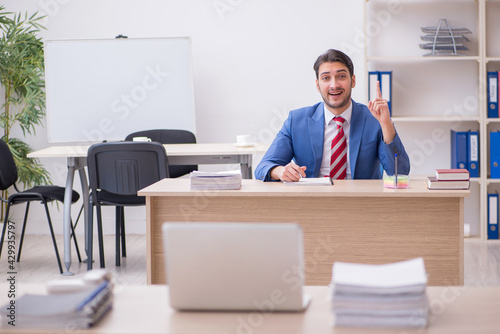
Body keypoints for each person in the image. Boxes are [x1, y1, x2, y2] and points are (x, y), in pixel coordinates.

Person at [255, 49, 410, 182]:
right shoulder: (296, 121)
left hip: (361, 204)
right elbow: (264, 167)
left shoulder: (374, 119)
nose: (334, 85)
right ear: (317, 85)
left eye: (341, 76)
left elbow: (399, 172)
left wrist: (386, 124)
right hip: (313, 204)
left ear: (353, 81)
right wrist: (280, 171)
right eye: (326, 78)